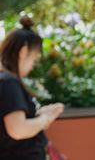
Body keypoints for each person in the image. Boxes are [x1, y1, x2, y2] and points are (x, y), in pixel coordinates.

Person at [0, 16, 64, 160]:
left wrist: (39, 115)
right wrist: (45, 118)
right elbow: (17, 130)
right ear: (23, 51)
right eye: (34, 58)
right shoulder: (9, 82)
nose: (33, 65)